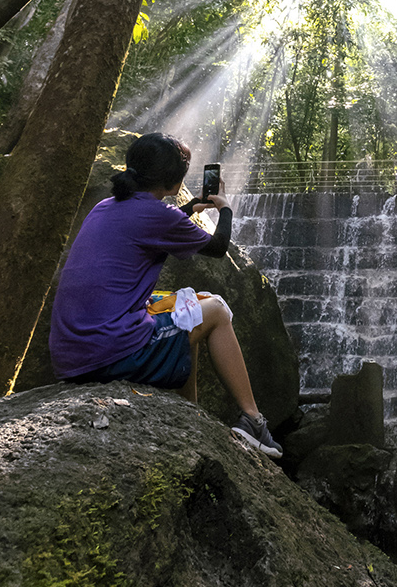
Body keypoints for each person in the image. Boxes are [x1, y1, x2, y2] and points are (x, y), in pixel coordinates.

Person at [49, 132, 282, 458]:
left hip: (72, 353)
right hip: (109, 354)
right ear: (174, 181)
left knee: (190, 304)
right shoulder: (159, 215)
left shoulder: (107, 205)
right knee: (215, 309)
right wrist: (225, 209)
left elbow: (149, 223)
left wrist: (188, 208)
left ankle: (191, 413)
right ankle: (254, 420)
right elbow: (217, 247)